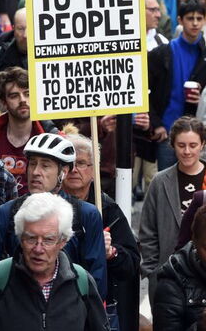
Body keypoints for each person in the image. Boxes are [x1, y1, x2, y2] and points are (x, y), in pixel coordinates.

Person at [0, 133, 108, 300]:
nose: (35, 172)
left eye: (45, 166)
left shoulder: (86, 215)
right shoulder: (5, 214)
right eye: (32, 164)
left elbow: (96, 283)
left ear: (63, 172)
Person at [0, 193, 109, 330]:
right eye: (31, 238)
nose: (38, 249)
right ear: (20, 238)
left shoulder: (81, 283)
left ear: (62, 241)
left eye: (48, 240)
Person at [62, 130, 139, 331]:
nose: (74, 170)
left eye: (81, 163)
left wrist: (111, 252)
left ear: (94, 169)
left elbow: (131, 264)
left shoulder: (108, 209)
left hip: (100, 306)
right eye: (68, 163)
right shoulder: (47, 207)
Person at [147, 0, 206, 171]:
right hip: (166, 131)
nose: (195, 23)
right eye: (190, 18)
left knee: (195, 184)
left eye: (199, 18)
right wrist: (156, 123)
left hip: (197, 131)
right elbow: (145, 91)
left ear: (205, 20)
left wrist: (201, 99)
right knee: (167, 182)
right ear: (180, 21)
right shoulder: (161, 54)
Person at [139, 117, 206, 303]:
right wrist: (153, 270)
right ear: (173, 145)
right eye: (181, 145)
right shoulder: (160, 181)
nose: (187, 151)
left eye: (193, 145)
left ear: (203, 144)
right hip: (168, 273)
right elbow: (147, 230)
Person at [0, 67, 56, 194]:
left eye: (27, 94)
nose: (23, 100)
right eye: (14, 96)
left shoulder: (49, 136)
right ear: (4, 102)